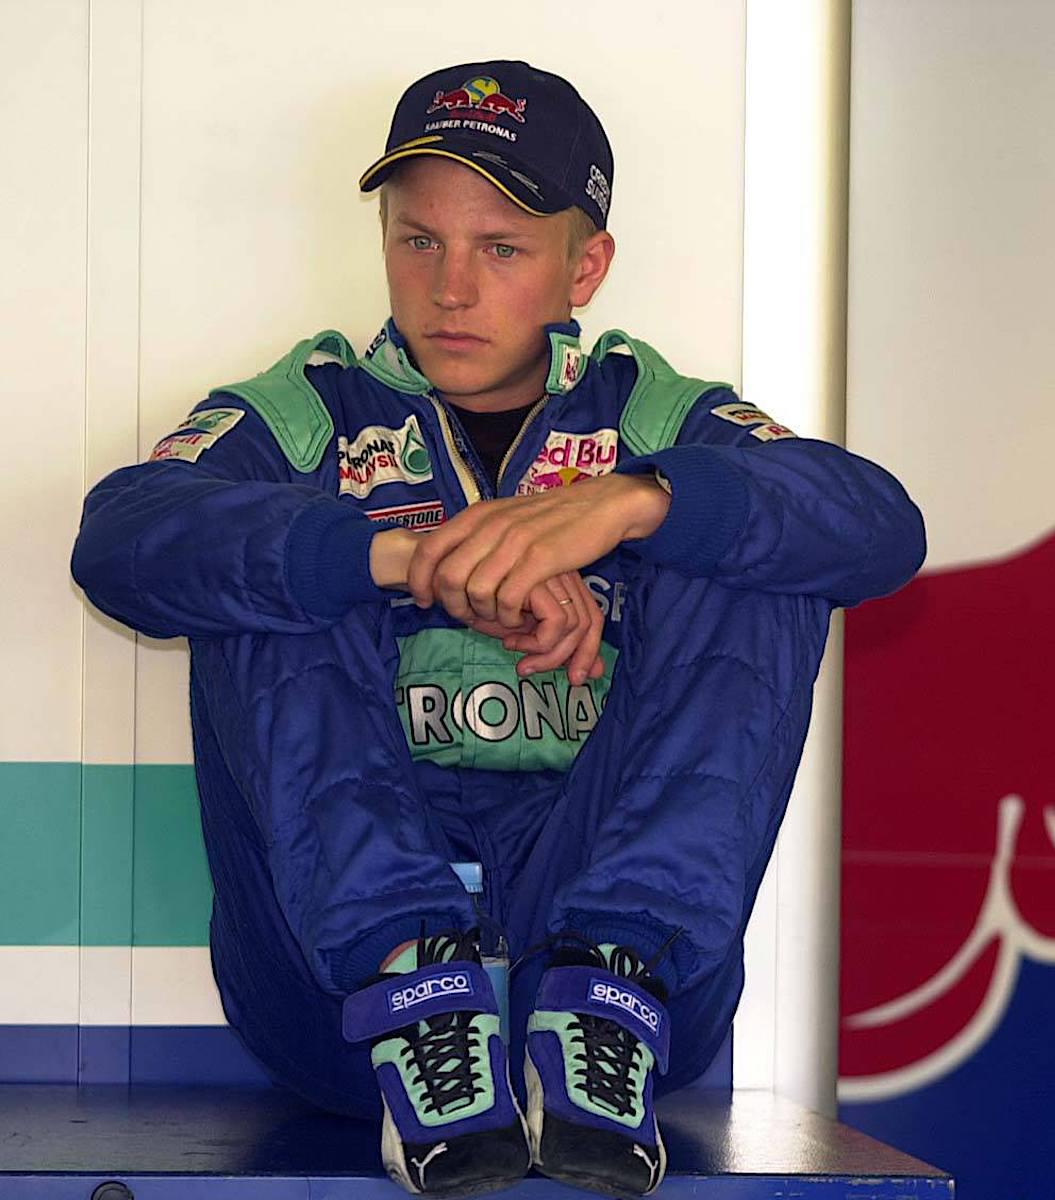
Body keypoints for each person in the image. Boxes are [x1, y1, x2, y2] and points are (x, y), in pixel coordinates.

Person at [69, 59, 924, 1199]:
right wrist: (399, 556)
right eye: (418, 241)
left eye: (503, 249)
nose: (451, 290)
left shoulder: (654, 413)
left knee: (757, 533)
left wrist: (631, 506)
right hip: (341, 1007)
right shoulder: (309, 407)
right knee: (272, 553)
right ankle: (416, 982)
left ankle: (602, 990)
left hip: (630, 989)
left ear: (587, 266)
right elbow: (121, 540)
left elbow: (882, 526)